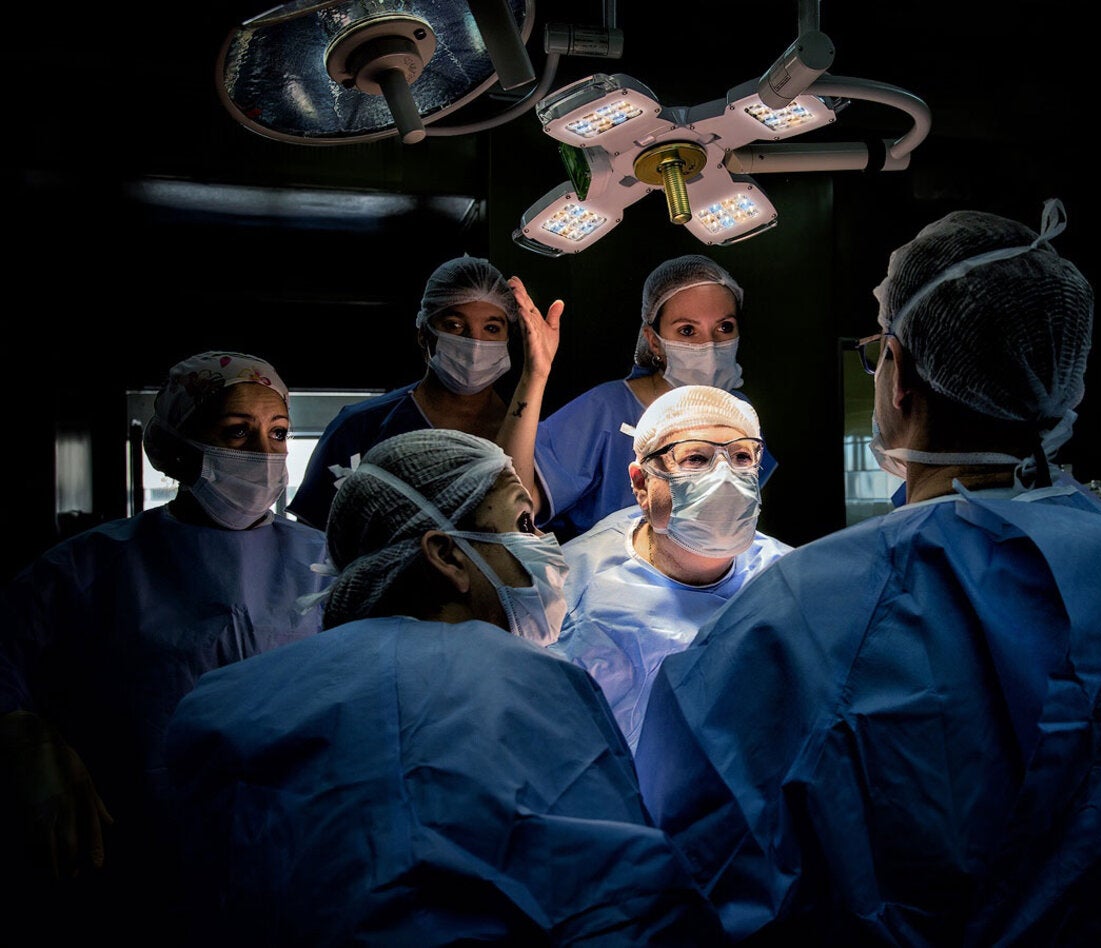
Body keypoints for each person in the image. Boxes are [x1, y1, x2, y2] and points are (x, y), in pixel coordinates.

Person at [633, 200, 1101, 945]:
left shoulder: (802, 615)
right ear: (1058, 382)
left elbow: (689, 870)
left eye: (880, 356)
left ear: (901, 376)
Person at [163, 429, 726, 947]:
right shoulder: (529, 682)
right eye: (523, 522)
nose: (548, 546)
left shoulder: (222, 705)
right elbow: (623, 905)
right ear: (449, 555)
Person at [0, 350, 332, 945]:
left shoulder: (328, 563)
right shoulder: (87, 569)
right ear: (175, 449)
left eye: (278, 433)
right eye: (236, 432)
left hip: (299, 847)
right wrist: (27, 737)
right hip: (139, 853)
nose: (263, 453)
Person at [550, 384, 793, 753]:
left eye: (742, 457)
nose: (724, 475)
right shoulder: (572, 588)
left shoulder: (789, 581)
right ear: (641, 483)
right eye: (696, 459)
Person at [499, 253, 777, 543]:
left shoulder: (737, 415)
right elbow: (512, 501)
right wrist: (535, 373)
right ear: (654, 340)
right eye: (687, 330)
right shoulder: (608, 410)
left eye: (725, 327)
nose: (708, 344)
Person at [287, 255, 560, 530]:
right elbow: (310, 541)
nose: (475, 342)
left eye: (491, 328)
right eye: (454, 325)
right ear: (423, 333)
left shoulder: (536, 432)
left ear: (508, 338)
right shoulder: (360, 428)